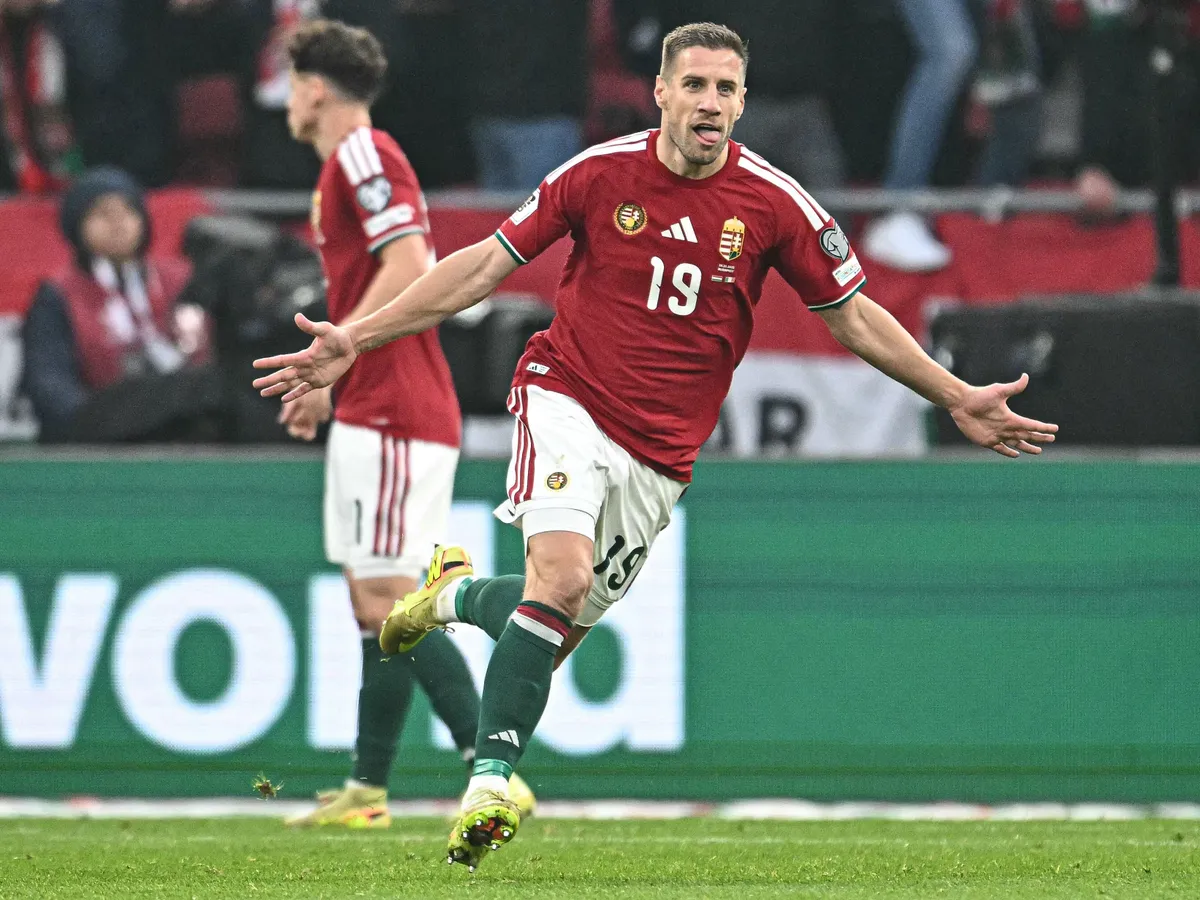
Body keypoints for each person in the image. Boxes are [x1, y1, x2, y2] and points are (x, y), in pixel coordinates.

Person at [254, 22, 1058, 867]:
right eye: (697, 85)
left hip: (661, 457)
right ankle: (490, 780)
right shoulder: (599, 174)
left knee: (550, 627)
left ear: (743, 102)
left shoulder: (774, 202)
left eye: (727, 89)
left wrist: (957, 393)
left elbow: (853, 316)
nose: (712, 103)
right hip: (566, 396)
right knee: (558, 579)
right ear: (663, 93)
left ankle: (451, 595)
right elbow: (483, 266)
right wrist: (360, 336)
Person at [272, 18, 533, 829]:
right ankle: (368, 788)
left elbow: (411, 262)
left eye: (291, 83)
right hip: (374, 403)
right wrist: (330, 374)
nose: (287, 99)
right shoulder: (343, 169)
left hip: (396, 407)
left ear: (315, 87)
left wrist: (341, 355)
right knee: (370, 599)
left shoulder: (362, 152)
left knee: (391, 599)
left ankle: (491, 766)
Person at [21, 166, 217, 442]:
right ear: (77, 225)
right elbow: (51, 388)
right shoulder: (58, 295)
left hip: (185, 425)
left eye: (128, 211)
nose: (118, 223)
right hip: (101, 433)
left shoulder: (181, 280)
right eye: (102, 213)